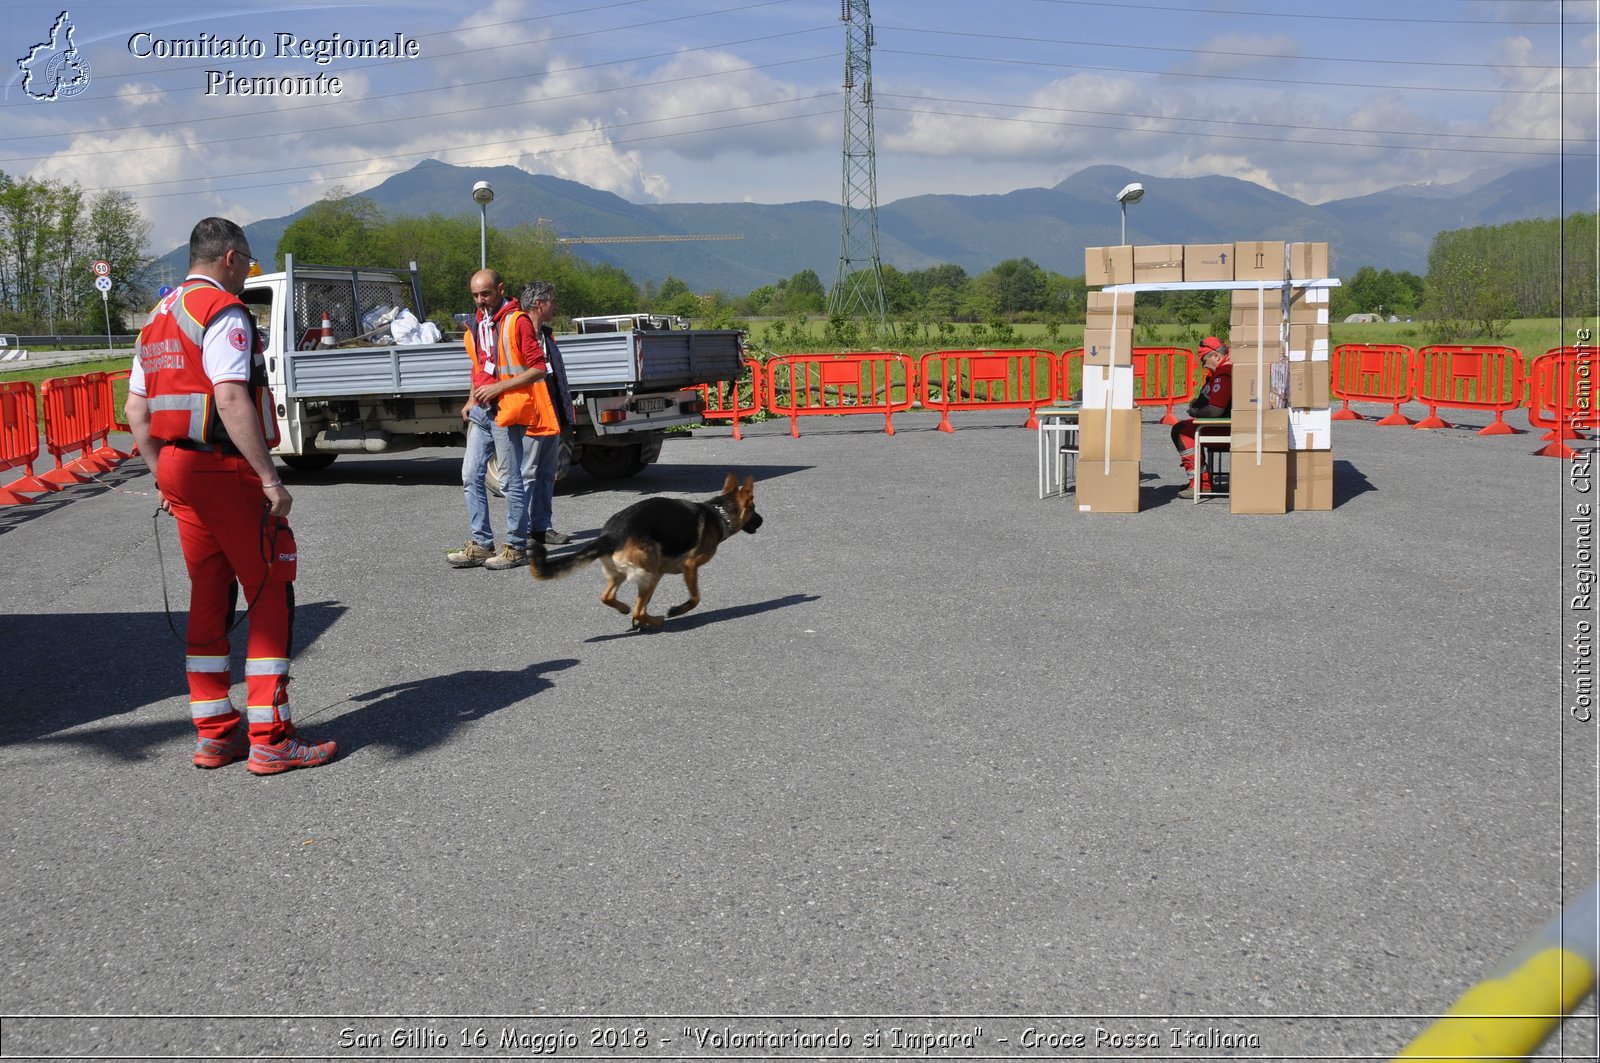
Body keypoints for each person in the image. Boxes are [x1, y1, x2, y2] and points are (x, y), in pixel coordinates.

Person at [125, 217, 336, 774]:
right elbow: (230, 397)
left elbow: (136, 412)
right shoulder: (221, 311)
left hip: (176, 469)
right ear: (231, 258)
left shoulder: (157, 318)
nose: (247, 273)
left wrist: (162, 478)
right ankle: (271, 735)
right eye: (248, 262)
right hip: (223, 470)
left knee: (208, 596)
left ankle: (216, 733)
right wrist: (269, 478)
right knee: (269, 591)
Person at [446, 268, 561, 570]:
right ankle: (482, 544)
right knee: (471, 476)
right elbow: (479, 366)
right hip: (482, 413)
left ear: (500, 289)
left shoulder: (517, 321)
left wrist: (498, 387)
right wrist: (472, 399)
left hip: (506, 411)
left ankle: (516, 547)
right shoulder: (477, 323)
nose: (480, 300)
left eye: (485, 293)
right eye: (475, 295)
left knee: (511, 482)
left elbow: (539, 368)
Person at [521, 281, 575, 546]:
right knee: (527, 473)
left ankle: (542, 527)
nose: (555, 305)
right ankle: (520, 531)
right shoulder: (519, 333)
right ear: (538, 303)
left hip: (550, 412)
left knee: (545, 473)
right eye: (552, 300)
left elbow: (557, 377)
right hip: (530, 414)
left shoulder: (547, 335)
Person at [1171, 335, 1232, 499]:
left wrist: (1195, 413)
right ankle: (1201, 480)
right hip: (1227, 424)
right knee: (1184, 428)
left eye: (1204, 360)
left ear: (1216, 356)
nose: (1204, 365)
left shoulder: (1225, 372)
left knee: (1181, 431)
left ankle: (1201, 483)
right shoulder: (1228, 364)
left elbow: (1215, 410)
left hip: (1226, 428)